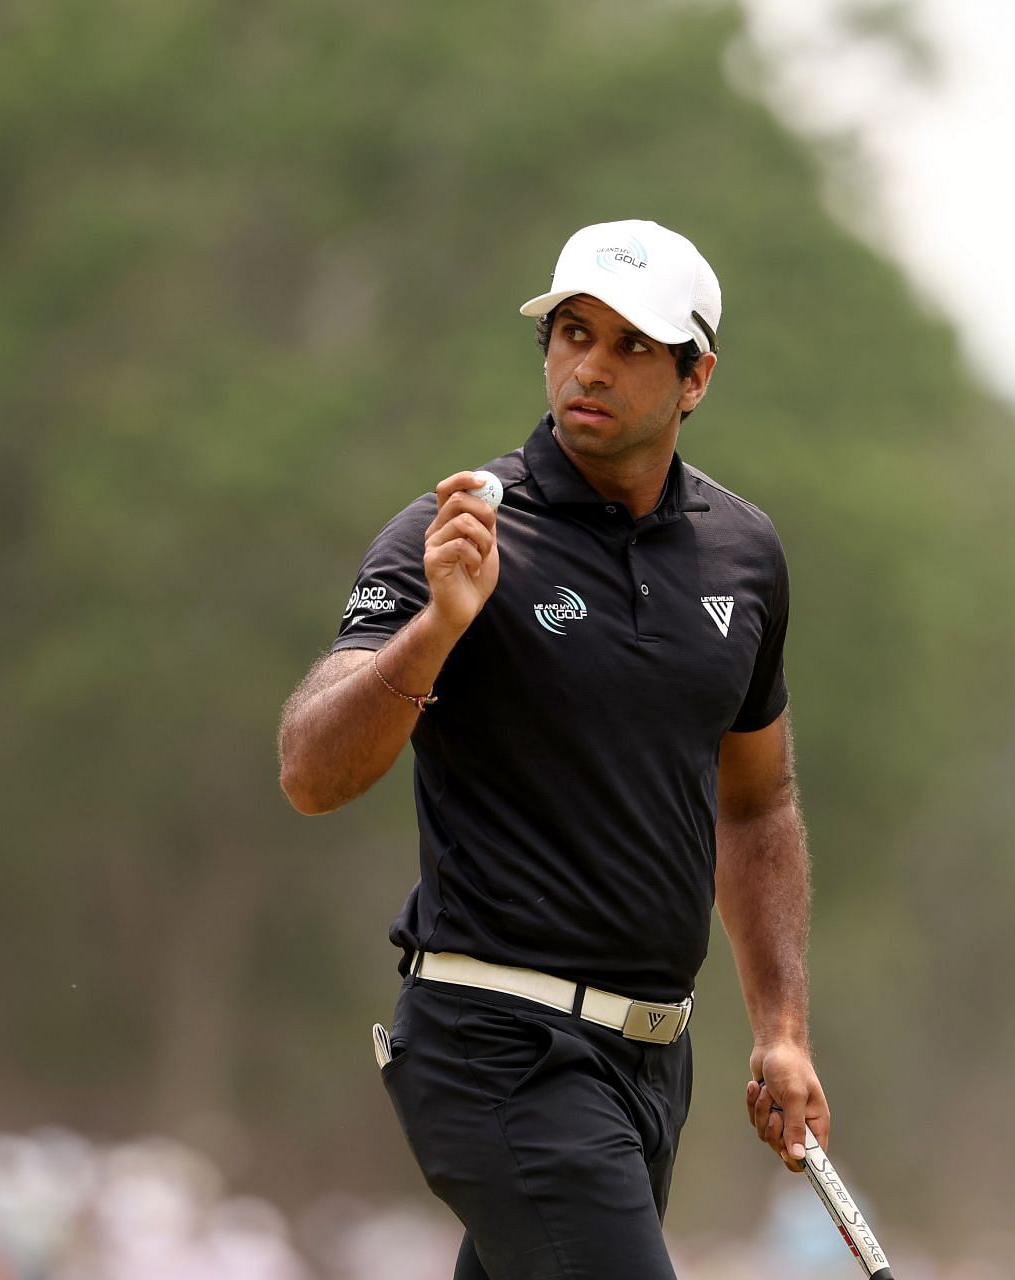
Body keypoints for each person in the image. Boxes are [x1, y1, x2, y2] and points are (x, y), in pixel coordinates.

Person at [277, 219, 827, 1280]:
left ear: (694, 376)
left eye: (631, 345)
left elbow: (755, 802)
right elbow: (310, 770)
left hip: (650, 1066)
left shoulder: (743, 554)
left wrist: (783, 1025)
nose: (591, 365)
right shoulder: (463, 530)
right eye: (573, 333)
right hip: (496, 1044)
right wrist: (437, 626)